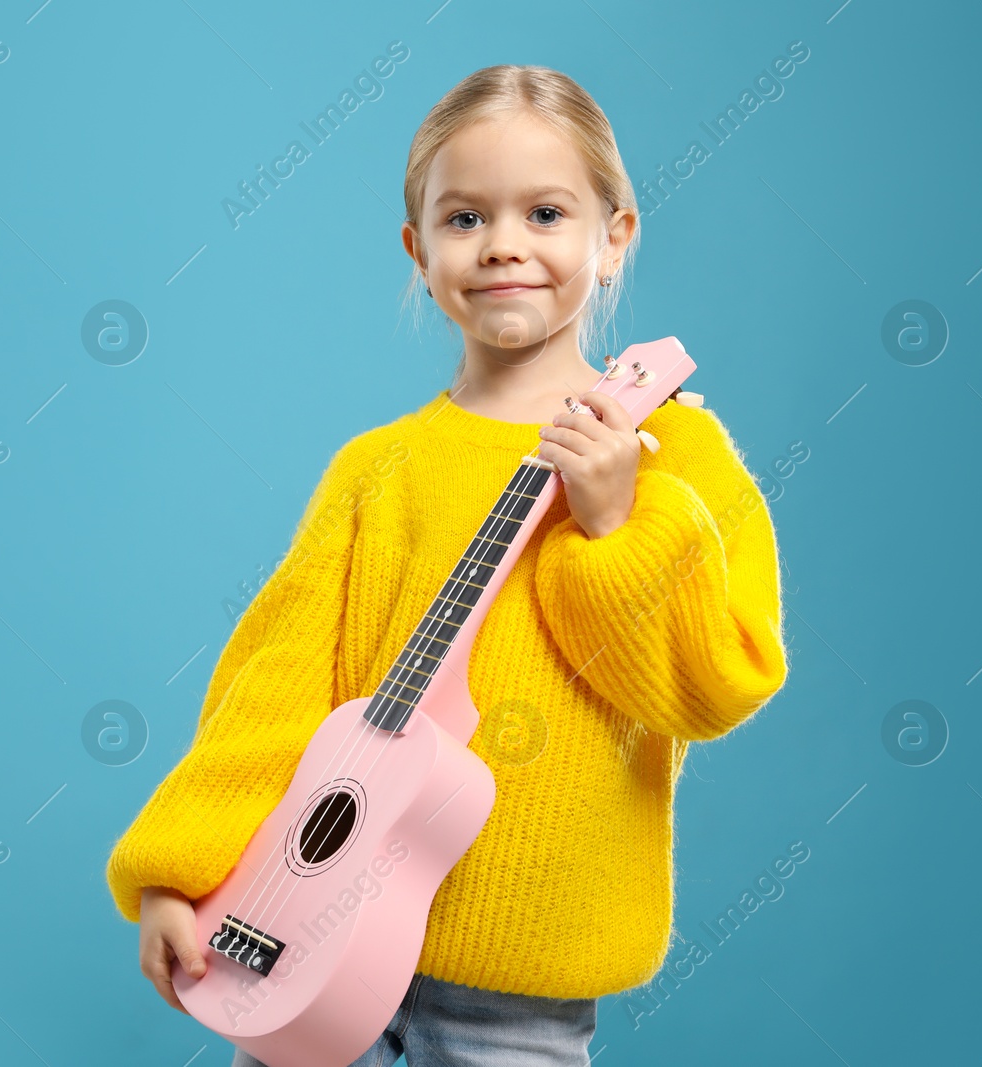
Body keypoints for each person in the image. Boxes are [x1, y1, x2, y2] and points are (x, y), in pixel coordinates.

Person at [105, 64, 790, 1067]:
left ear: (614, 238)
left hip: (517, 987)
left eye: (546, 212)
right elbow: (274, 686)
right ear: (417, 250)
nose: (503, 244)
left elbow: (715, 683)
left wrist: (616, 526)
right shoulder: (378, 468)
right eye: (464, 218)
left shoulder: (673, 457)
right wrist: (178, 868)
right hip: (305, 934)